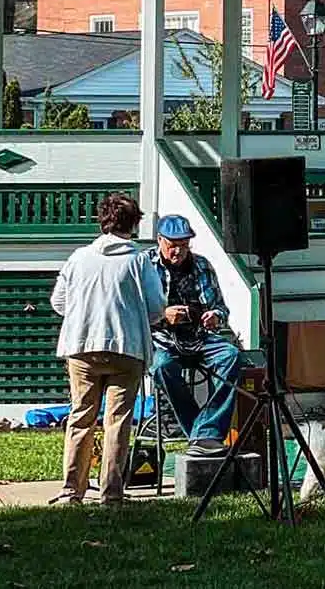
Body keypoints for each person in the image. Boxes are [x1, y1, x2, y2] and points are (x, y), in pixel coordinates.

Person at [48, 192, 165, 506]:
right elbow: (156, 308)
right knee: (117, 421)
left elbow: (58, 303)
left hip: (82, 345)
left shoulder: (79, 257)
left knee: (80, 416)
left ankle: (71, 489)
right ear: (133, 223)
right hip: (126, 347)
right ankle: (111, 493)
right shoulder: (139, 260)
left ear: (102, 221)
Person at [146, 215, 243, 455]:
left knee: (230, 355)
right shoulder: (144, 264)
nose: (179, 250)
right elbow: (134, 310)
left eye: (185, 244)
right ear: (159, 240)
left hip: (199, 338)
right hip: (161, 339)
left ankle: (206, 432)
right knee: (161, 366)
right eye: (173, 244)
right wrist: (163, 315)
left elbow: (221, 308)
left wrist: (215, 317)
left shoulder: (202, 265)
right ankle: (202, 433)